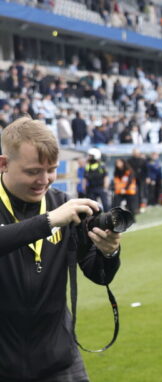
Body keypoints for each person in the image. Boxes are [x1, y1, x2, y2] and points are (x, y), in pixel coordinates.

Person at [0, 117, 122, 382]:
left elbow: (99, 274)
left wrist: (109, 251)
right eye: (33, 171)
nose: (44, 181)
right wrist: (49, 221)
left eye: (51, 169)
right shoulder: (58, 213)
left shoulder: (61, 204)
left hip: (58, 361)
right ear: (4, 163)